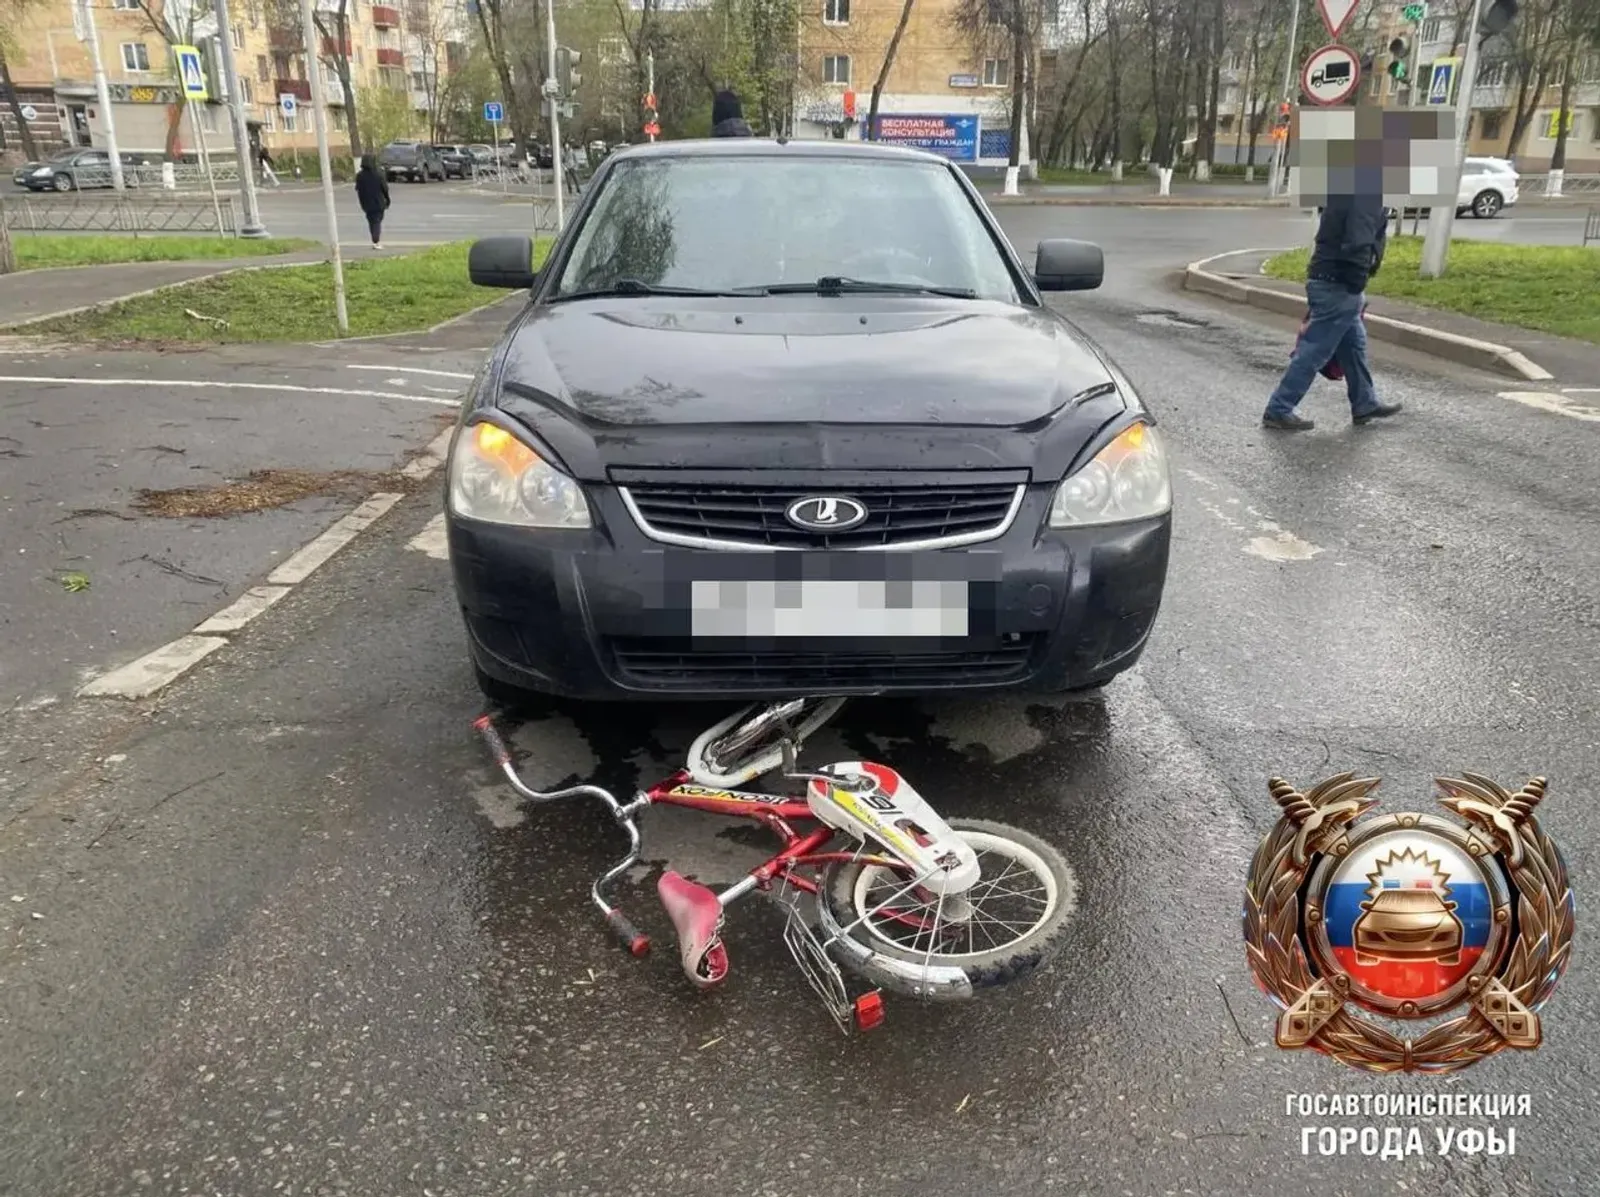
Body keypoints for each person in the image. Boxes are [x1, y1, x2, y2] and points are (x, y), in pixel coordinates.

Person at [1260, 189, 1403, 431]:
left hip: (1332, 278)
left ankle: (1365, 402)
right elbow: (1358, 239)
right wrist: (1357, 282)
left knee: (1354, 346)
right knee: (1314, 351)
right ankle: (1279, 409)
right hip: (1339, 283)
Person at [354, 154, 390, 249]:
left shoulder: (360, 175)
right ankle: (376, 240)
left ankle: (375, 240)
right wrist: (387, 199)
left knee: (371, 221)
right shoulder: (379, 173)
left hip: (366, 202)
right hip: (378, 201)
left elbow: (358, 189)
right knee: (377, 220)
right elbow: (385, 188)